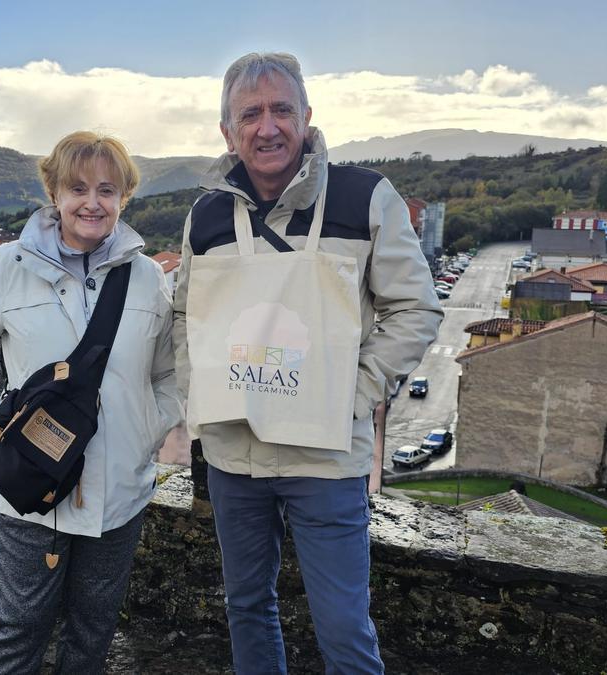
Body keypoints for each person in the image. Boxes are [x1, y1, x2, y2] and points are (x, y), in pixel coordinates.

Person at [172, 52, 443, 674]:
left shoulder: (365, 196)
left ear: (307, 118)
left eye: (281, 110)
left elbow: (416, 309)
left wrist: (355, 390)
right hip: (233, 454)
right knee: (246, 605)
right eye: (250, 114)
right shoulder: (206, 216)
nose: (267, 127)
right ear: (227, 132)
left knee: (344, 627)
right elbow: (186, 315)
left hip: (324, 455)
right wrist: (199, 392)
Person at [0, 130, 181, 674]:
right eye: (78, 188)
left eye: (107, 190)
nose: (93, 202)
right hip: (31, 487)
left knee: (93, 633)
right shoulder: (8, 268)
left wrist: (151, 428)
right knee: (18, 632)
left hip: (119, 491)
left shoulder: (145, 279)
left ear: (124, 197)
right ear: (54, 193)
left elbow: (169, 372)